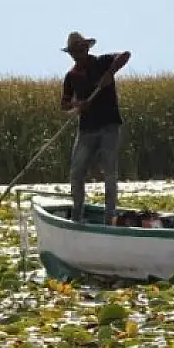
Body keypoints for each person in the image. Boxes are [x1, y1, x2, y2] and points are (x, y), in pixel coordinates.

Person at [60, 31, 131, 224]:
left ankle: (110, 217)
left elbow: (125, 55)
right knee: (76, 172)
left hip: (109, 126)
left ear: (86, 49)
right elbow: (64, 104)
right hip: (86, 130)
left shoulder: (102, 62)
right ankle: (77, 215)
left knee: (109, 171)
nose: (78, 54)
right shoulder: (71, 76)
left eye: (81, 50)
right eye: (75, 52)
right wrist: (78, 104)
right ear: (72, 54)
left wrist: (110, 74)